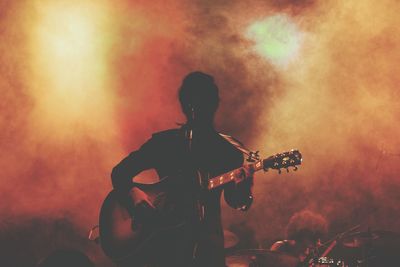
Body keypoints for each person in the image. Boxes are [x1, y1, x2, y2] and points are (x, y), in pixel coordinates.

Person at [111, 71, 254, 267]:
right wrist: (135, 195)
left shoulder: (229, 151)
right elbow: (120, 173)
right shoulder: (164, 143)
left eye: (205, 101)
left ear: (214, 104)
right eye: (195, 101)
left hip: (208, 250)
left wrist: (244, 185)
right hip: (165, 248)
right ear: (186, 105)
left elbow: (236, 201)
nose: (199, 107)